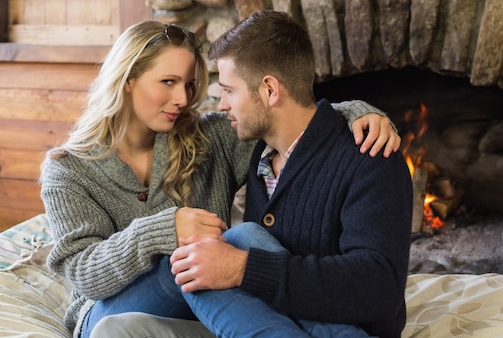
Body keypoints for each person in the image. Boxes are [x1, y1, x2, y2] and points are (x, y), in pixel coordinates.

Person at [39, 19, 401, 338]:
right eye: (167, 82)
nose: (182, 98)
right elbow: (83, 275)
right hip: (107, 307)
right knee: (204, 251)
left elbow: (290, 117)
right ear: (128, 80)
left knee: (238, 239)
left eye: (189, 84)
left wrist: (360, 113)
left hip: (204, 305)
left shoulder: (209, 139)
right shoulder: (67, 170)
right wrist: (161, 232)